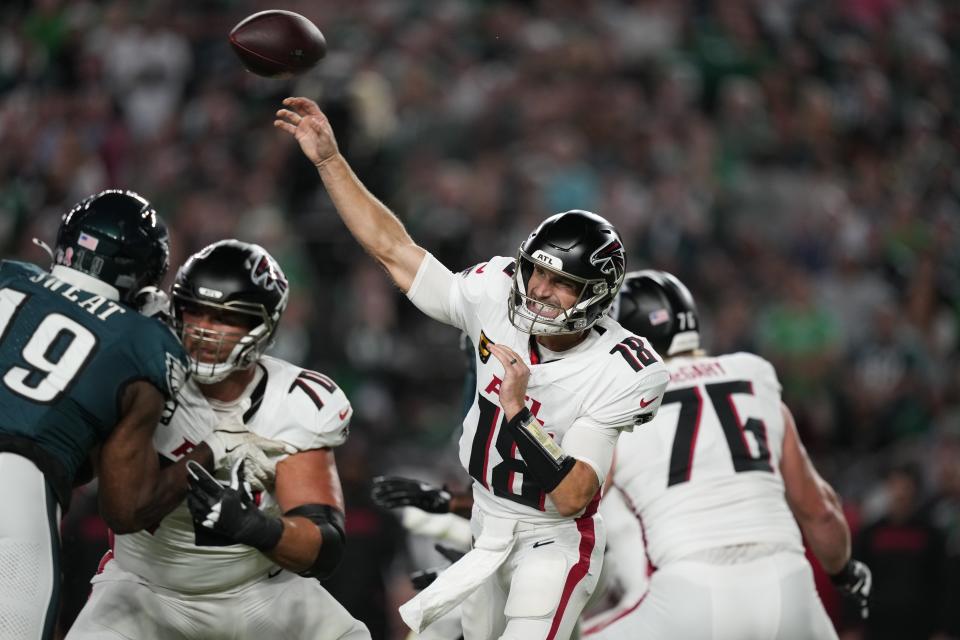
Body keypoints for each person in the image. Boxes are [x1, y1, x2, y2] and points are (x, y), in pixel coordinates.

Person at [275, 97, 670, 640]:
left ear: (597, 296)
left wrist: (518, 413)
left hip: (552, 540)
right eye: (536, 273)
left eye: (560, 284)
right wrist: (330, 162)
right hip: (485, 523)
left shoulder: (623, 367)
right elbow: (394, 249)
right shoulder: (494, 290)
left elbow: (575, 495)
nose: (538, 290)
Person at [66, 240, 370, 640]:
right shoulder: (141, 377)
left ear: (263, 327)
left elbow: (323, 547)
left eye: (225, 318)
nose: (205, 331)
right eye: (196, 312)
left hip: (259, 591)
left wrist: (253, 526)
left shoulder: (293, 402)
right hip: (144, 590)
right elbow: (118, 506)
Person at [580, 270, 872, 639]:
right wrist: (844, 572)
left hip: (693, 593)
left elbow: (572, 507)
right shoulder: (753, 376)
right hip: (788, 586)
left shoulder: (616, 404)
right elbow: (821, 512)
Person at [0, 189, 225, 640]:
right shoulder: (142, 342)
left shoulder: (8, 276)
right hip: (15, 488)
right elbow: (126, 507)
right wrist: (214, 450)